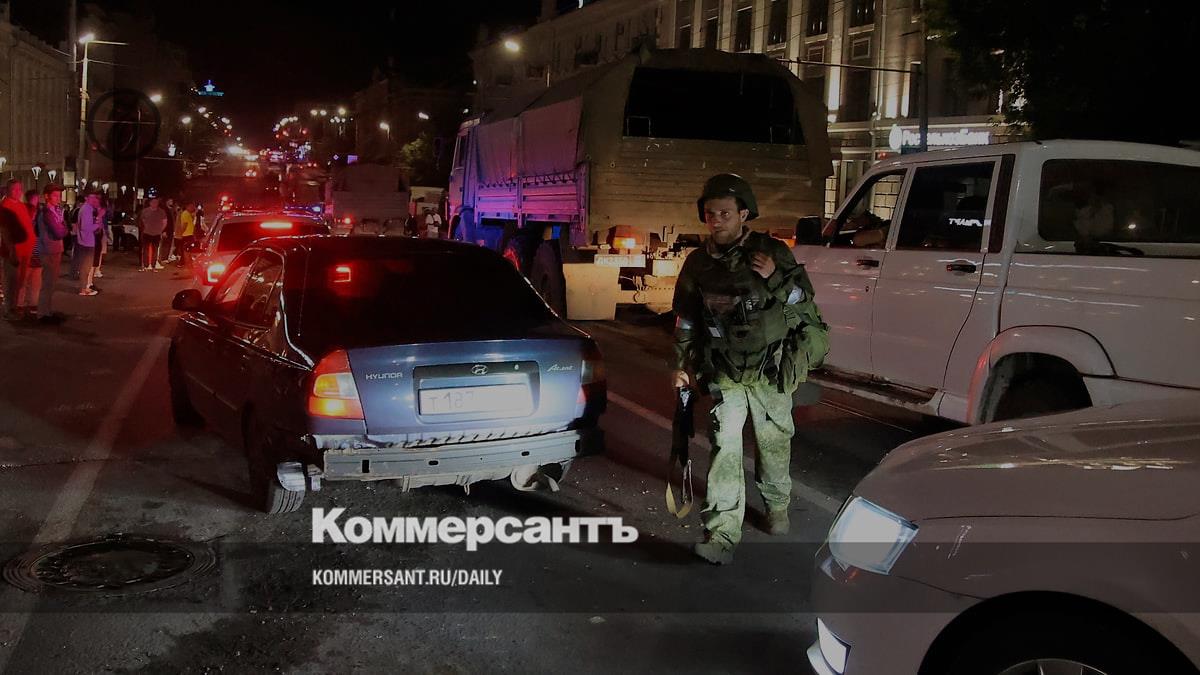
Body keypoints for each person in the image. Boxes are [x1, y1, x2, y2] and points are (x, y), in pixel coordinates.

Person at [671, 174, 824, 565]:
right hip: (724, 368)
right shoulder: (698, 263)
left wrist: (774, 276)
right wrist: (681, 365)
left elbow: (803, 301)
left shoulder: (771, 253)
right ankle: (721, 534)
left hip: (769, 368)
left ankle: (776, 505)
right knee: (725, 446)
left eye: (725, 213)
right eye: (710, 213)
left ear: (743, 214)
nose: (716, 220)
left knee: (773, 442)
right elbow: (686, 319)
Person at [0, 179, 36, 319]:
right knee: (11, 281)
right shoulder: (5, 206)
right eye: (14, 189)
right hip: (14, 251)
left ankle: (15, 306)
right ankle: (9, 309)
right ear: (7, 190)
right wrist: (11, 250)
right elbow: (5, 231)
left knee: (20, 280)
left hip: (25, 250)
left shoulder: (20, 205)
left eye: (19, 189)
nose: (17, 192)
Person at [35, 184, 68, 323]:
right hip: (49, 251)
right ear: (47, 196)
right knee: (48, 283)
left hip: (54, 249)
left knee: (51, 283)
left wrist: (63, 227)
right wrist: (64, 227)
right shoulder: (47, 213)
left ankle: (47, 311)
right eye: (55, 195)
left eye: (59, 195)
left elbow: (62, 228)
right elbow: (59, 232)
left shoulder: (55, 211)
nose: (58, 198)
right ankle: (43, 314)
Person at [72, 190, 103, 296]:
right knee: (85, 267)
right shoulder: (87, 209)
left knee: (86, 266)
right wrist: (97, 225)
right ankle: (83, 288)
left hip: (85, 241)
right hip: (87, 241)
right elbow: (86, 227)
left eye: (95, 198)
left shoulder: (86, 209)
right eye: (92, 198)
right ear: (87, 198)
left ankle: (84, 287)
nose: (94, 200)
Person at [21, 190, 42, 315]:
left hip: (35, 251)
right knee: (26, 280)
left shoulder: (36, 212)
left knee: (34, 280)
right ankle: (24, 304)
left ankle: (31, 303)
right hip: (29, 251)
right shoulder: (29, 211)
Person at [139, 196, 167, 271]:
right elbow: (143, 220)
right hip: (147, 233)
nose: (155, 204)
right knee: (145, 249)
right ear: (150, 203)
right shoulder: (145, 211)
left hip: (157, 233)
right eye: (153, 202)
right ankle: (145, 265)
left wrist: (160, 230)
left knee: (155, 250)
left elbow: (165, 222)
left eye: (156, 202)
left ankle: (153, 265)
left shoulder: (161, 212)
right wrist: (146, 227)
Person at [177, 202, 197, 268]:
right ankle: (184, 263)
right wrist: (181, 234)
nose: (193, 208)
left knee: (187, 250)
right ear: (187, 207)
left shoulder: (188, 214)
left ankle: (183, 262)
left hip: (189, 234)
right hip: (186, 235)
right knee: (186, 251)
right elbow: (184, 225)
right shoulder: (185, 214)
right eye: (191, 207)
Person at [161, 197, 179, 263]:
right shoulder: (165, 210)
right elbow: (164, 221)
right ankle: (163, 258)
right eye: (170, 201)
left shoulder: (171, 210)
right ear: (167, 202)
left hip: (171, 229)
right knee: (166, 244)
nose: (171, 202)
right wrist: (164, 230)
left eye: (172, 201)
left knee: (169, 244)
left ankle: (166, 257)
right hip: (167, 230)